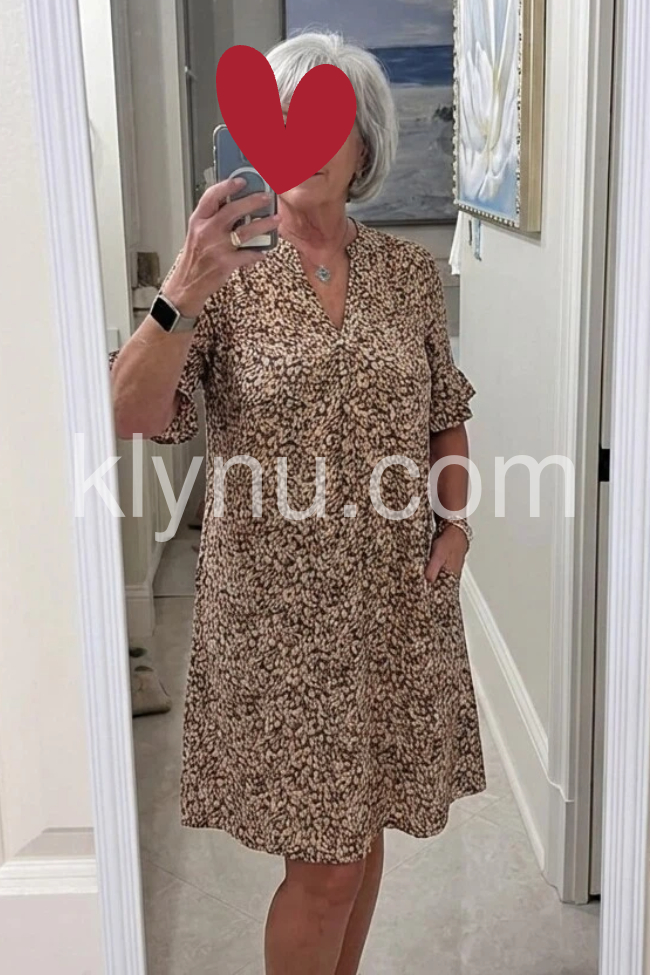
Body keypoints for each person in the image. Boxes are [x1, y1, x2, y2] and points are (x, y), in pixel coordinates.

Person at [109, 30, 486, 976]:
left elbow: (443, 411)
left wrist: (454, 525)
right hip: (277, 621)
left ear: (363, 146)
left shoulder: (406, 275)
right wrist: (183, 287)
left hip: (396, 604)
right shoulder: (222, 276)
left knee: (364, 829)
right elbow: (131, 412)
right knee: (323, 866)